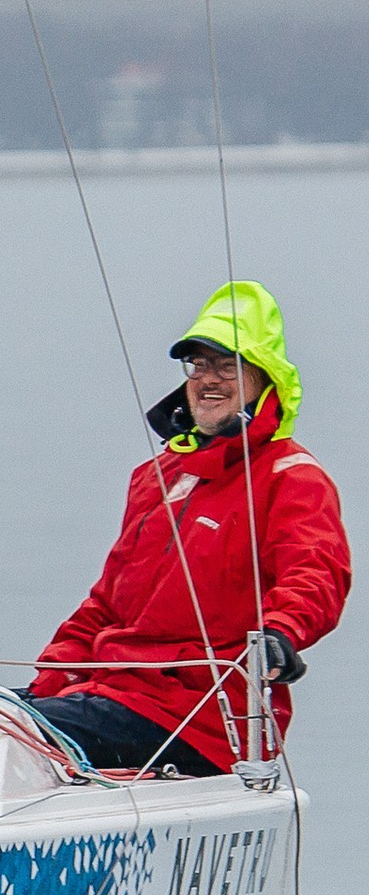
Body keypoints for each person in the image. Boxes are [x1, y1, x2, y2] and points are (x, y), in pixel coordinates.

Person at [28, 281, 348, 773]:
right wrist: (49, 680)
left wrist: (281, 633)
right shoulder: (157, 477)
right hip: (111, 694)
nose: (208, 380)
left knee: (6, 733)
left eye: (227, 367)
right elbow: (108, 603)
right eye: (198, 366)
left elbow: (317, 573)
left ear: (266, 379)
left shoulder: (291, 477)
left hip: (199, 719)